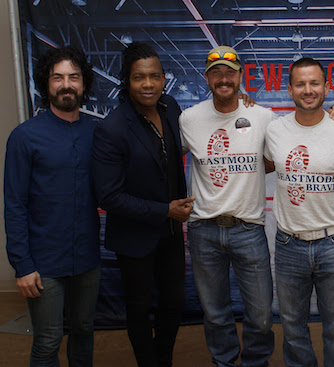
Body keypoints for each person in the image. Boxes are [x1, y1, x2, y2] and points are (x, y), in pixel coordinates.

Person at [178, 46, 334, 367]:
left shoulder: (263, 117)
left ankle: (256, 363)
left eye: (230, 72)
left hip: (249, 229)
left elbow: (286, 152)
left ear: (241, 77)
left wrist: (331, 122)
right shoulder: (189, 118)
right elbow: (163, 157)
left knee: (260, 315)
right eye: (216, 73)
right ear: (207, 78)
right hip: (203, 229)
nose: (223, 78)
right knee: (215, 314)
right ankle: (224, 362)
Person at [92, 42, 193, 367]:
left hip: (170, 233)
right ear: (126, 81)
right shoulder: (112, 128)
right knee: (138, 308)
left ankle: (161, 358)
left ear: (164, 78)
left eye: (154, 76)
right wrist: (165, 210)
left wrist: (242, 102)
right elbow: (109, 196)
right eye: (139, 77)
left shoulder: (172, 108)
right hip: (134, 235)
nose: (147, 84)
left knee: (175, 303)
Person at [4, 46, 101, 366]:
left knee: (85, 331)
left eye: (73, 77)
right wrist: (23, 265)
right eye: (57, 77)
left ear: (83, 83)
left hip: (87, 258)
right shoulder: (24, 137)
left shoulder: (96, 133)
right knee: (47, 340)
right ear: (46, 84)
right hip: (43, 263)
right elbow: (15, 204)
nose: (66, 84)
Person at [263, 57, 334, 367]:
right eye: (300, 84)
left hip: (333, 244)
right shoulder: (275, 130)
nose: (308, 90)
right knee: (293, 330)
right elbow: (268, 163)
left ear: (326, 87)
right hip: (289, 244)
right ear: (289, 89)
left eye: (314, 83)